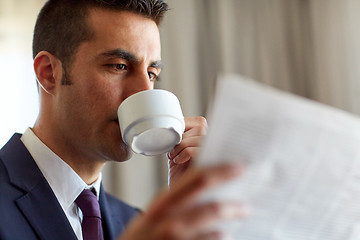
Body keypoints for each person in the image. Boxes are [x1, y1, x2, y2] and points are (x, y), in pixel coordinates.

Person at [0, 0, 248, 239]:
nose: (144, 91)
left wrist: (188, 206)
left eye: (152, 74)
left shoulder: (136, 223)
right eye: (119, 66)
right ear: (49, 73)